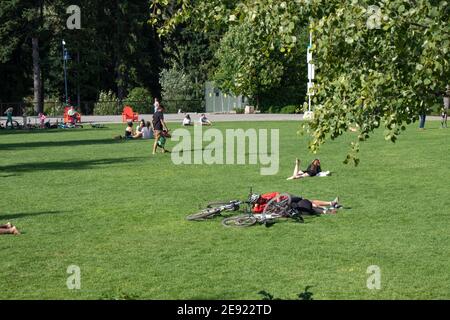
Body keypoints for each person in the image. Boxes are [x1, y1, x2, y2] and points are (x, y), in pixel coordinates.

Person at [249, 192, 341, 215]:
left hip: (286, 198)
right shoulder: (259, 207)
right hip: (285, 207)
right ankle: (328, 209)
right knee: (308, 205)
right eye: (259, 199)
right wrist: (256, 205)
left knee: (307, 200)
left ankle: (330, 203)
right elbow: (256, 211)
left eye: (260, 197)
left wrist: (277, 201)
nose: (261, 198)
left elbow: (276, 193)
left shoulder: (265, 196)